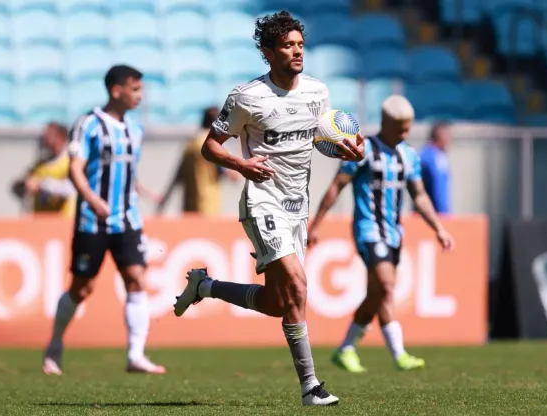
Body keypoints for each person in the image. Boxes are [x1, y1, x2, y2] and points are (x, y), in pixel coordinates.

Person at [171, 11, 364, 406]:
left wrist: (350, 148)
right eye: (287, 46)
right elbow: (211, 145)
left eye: (300, 45)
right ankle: (311, 388)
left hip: (298, 205)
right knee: (298, 285)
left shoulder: (317, 92)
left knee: (280, 303)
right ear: (268, 52)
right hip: (263, 201)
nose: (297, 52)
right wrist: (242, 164)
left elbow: (322, 137)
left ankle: (205, 286)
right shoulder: (247, 97)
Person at [308, 95, 454, 373]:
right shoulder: (362, 150)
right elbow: (336, 187)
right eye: (400, 128)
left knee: (379, 292)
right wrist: (316, 225)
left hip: (394, 233)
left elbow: (419, 195)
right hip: (367, 229)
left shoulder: (408, 155)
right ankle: (396, 354)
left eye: (408, 128)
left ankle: (349, 349)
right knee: (386, 286)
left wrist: (438, 228)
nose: (405, 133)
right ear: (386, 123)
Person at [42, 65, 166, 376]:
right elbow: (75, 168)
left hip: (128, 219)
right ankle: (55, 344)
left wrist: (146, 193)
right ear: (116, 90)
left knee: (136, 278)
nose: (141, 95)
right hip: (91, 220)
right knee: (82, 288)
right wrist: (91, 197)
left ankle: (135, 355)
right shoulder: (89, 125)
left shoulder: (135, 129)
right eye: (135, 89)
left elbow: (129, 174)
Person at [156, 106, 240, 216]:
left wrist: (165, 200)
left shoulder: (190, 144)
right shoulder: (213, 147)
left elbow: (178, 176)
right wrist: (240, 148)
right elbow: (233, 176)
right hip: (208, 206)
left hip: (189, 206)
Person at [11, 122, 75, 217]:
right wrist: (23, 184)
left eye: (49, 136)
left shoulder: (70, 162)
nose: (45, 140)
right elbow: (19, 188)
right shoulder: (39, 165)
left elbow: (71, 189)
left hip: (63, 221)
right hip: (40, 222)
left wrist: (42, 184)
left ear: (61, 137)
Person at [419, 122, 453, 214]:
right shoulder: (433, 158)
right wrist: (444, 213)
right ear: (441, 136)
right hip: (433, 215)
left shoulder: (432, 155)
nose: (450, 139)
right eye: (448, 135)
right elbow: (439, 189)